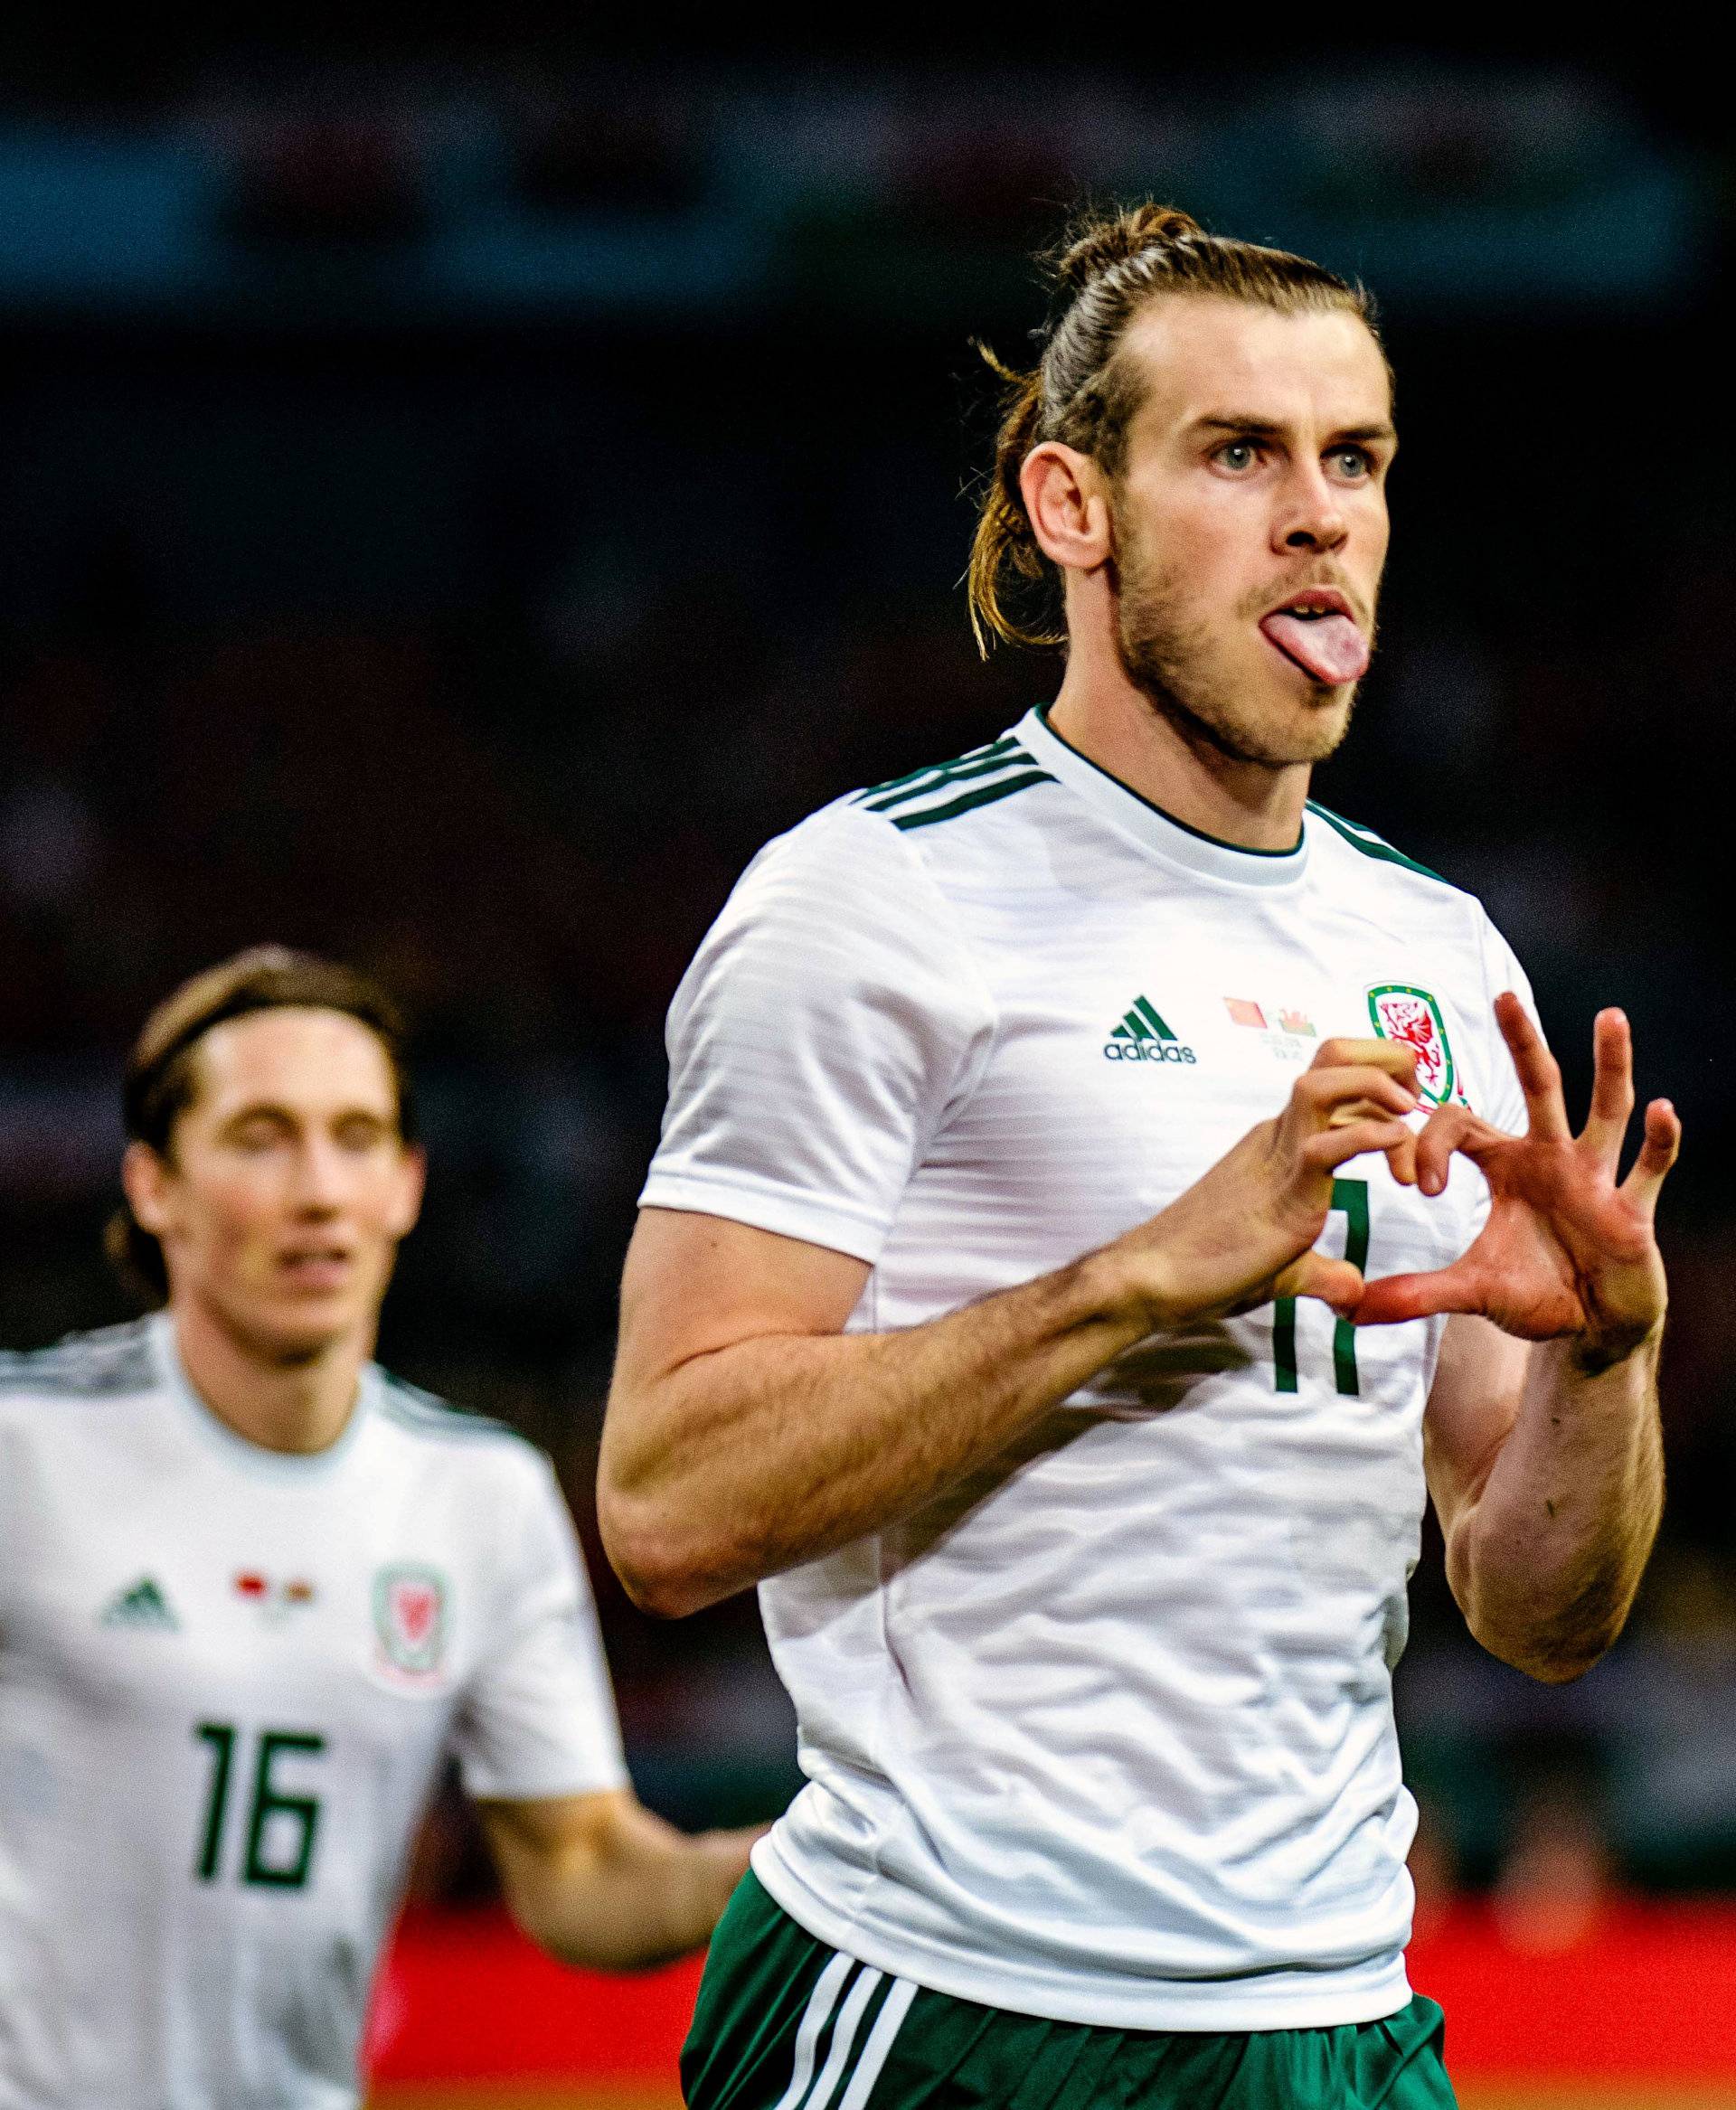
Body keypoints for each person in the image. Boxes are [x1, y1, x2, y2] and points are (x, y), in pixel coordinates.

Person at [598, 203, 1679, 2108]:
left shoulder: (1439, 956)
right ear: (1071, 510)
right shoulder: (876, 902)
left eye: (1355, 459)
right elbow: (668, 1507)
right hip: (943, 2006)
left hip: (1335, 2021)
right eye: (1240, 452)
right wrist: (1126, 1283)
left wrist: (1602, 1366)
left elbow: (1539, 1613)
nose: (1320, 513)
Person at [0, 947, 756, 2110]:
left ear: (405, 1184)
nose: (318, 1190)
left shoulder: (478, 1495)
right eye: (261, 1137)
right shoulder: (25, 1447)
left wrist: (772, 1874)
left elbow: (579, 1868)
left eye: (355, 1138)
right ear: (154, 1187)